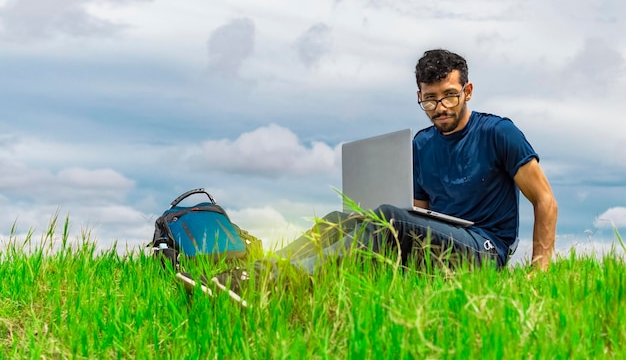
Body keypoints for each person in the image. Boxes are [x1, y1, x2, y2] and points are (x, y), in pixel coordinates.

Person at [212, 49, 558, 302]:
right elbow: (417, 215)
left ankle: (280, 284)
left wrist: (539, 269)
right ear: (420, 96)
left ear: (467, 92)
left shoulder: (498, 133)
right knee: (339, 218)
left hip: (485, 248)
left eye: (451, 96)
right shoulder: (421, 144)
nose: (441, 108)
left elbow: (545, 201)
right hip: (444, 238)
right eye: (430, 99)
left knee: (390, 217)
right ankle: (247, 276)